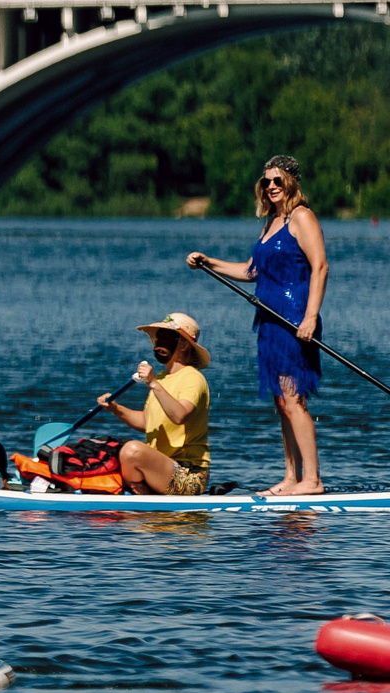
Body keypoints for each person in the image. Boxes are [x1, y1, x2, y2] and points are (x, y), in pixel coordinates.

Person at [189, 155, 327, 495]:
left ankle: (313, 480)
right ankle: (291, 478)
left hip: (294, 319)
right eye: (266, 182)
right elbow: (251, 271)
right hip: (269, 322)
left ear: (292, 182)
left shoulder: (301, 217)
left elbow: (320, 266)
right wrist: (211, 262)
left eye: (278, 181)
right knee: (282, 401)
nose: (272, 187)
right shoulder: (271, 223)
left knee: (294, 400)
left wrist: (310, 316)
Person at [96, 313, 212, 496]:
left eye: (165, 338)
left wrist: (153, 384)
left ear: (183, 345)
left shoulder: (193, 378)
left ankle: (141, 493)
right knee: (110, 450)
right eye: (158, 338)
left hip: (189, 477)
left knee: (132, 450)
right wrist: (115, 408)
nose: (158, 344)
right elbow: (146, 422)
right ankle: (139, 493)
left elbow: (179, 415)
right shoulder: (161, 378)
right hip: (160, 469)